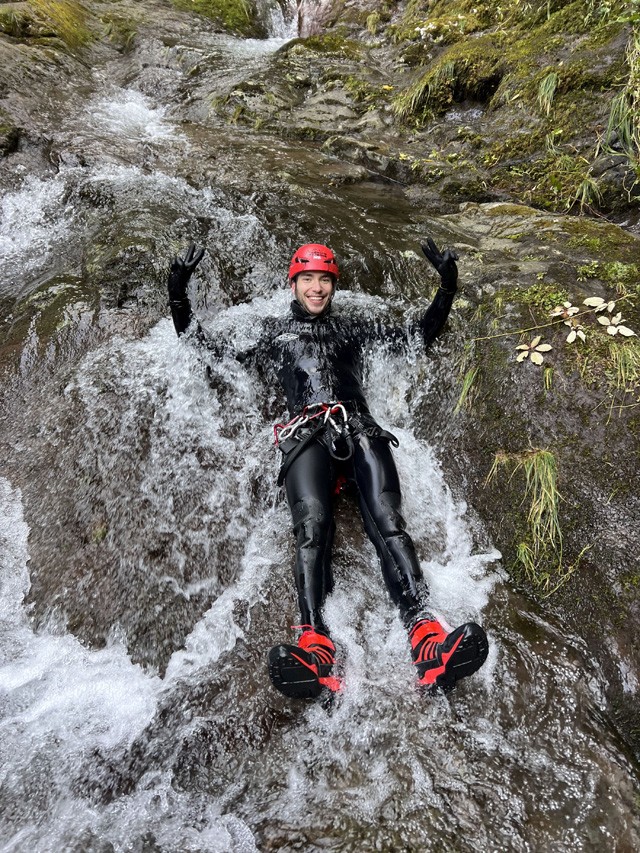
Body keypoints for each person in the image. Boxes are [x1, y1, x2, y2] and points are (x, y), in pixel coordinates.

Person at [167, 240, 489, 699]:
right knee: (311, 528)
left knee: (389, 522)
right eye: (307, 280)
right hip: (306, 436)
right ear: (293, 283)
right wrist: (178, 297)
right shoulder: (272, 335)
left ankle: (427, 638)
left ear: (333, 285)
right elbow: (207, 350)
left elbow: (418, 336)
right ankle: (315, 643)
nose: (316, 289)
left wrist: (447, 288)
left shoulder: (352, 331)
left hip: (357, 427)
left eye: (324, 280)